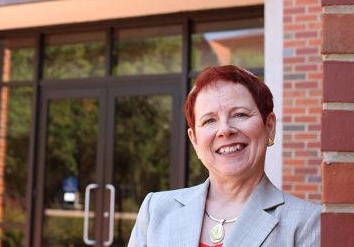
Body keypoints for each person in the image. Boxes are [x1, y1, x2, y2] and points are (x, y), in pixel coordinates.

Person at [128, 65, 320, 247]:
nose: (225, 130)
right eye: (209, 120)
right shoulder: (156, 210)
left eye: (240, 115)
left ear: (269, 127)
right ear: (194, 139)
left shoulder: (307, 222)